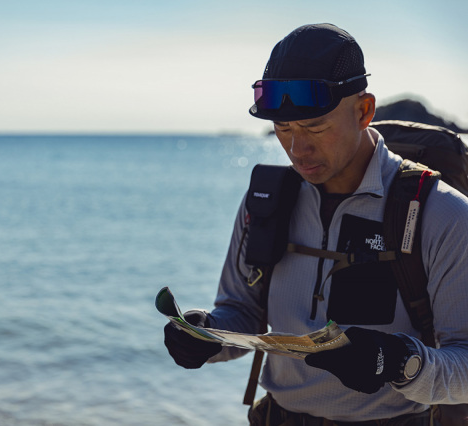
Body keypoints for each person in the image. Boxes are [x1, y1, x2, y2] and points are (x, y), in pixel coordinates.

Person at [163, 23, 468, 425]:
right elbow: (241, 314)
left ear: (364, 110)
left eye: (315, 128)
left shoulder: (441, 213)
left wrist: (399, 362)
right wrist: (206, 335)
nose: (296, 148)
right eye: (283, 129)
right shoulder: (266, 200)